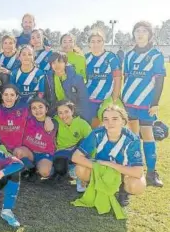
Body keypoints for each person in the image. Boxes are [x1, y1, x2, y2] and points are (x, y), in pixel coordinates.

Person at [71, 105, 146, 206]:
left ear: (123, 121)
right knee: (80, 169)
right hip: (101, 169)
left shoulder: (132, 139)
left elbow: (138, 172)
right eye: (106, 119)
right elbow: (75, 157)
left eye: (115, 119)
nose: (110, 122)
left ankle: (122, 190)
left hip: (122, 171)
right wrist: (100, 167)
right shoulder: (97, 133)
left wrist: (108, 165)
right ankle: (96, 184)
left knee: (137, 186)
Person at [122, 21, 166, 187]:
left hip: (146, 104)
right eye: (137, 31)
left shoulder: (156, 55)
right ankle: (135, 168)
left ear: (149, 34)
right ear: (133, 34)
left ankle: (152, 173)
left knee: (148, 136)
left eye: (144, 31)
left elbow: (160, 80)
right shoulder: (128, 55)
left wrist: (155, 103)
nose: (140, 34)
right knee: (133, 137)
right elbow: (127, 78)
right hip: (129, 103)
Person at [0, 84, 54, 153]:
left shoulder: (24, 108)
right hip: (0, 147)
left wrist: (48, 117)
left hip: (20, 148)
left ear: (16, 97)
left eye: (12, 95)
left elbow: (38, 110)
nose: (8, 98)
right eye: (6, 94)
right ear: (2, 96)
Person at [52, 100, 92, 192]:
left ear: (72, 111)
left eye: (66, 112)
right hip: (62, 151)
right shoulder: (55, 121)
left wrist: (91, 159)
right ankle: (71, 172)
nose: (63, 115)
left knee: (84, 142)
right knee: (59, 167)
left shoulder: (82, 123)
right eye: (60, 113)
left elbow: (91, 142)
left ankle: (81, 177)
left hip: (77, 150)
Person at [85, 29, 122, 128]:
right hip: (89, 100)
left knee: (104, 128)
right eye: (93, 41)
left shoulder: (111, 57)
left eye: (99, 41)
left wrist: (114, 97)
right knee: (90, 128)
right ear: (89, 44)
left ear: (103, 42)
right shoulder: (85, 58)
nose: (96, 44)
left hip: (105, 100)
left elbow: (118, 78)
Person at [15, 98, 57, 179]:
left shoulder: (53, 121)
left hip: (44, 154)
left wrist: (47, 118)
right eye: (34, 108)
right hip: (29, 152)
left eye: (40, 107)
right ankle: (30, 167)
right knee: (18, 151)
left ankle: (41, 167)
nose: (37, 110)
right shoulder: (28, 119)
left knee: (45, 172)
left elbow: (49, 128)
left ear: (46, 109)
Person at [44, 51, 91, 123]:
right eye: (54, 63)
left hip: (74, 112)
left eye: (60, 62)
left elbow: (83, 99)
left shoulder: (77, 78)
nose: (57, 65)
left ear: (65, 63)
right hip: (56, 112)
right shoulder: (48, 78)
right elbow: (47, 98)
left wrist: (82, 118)